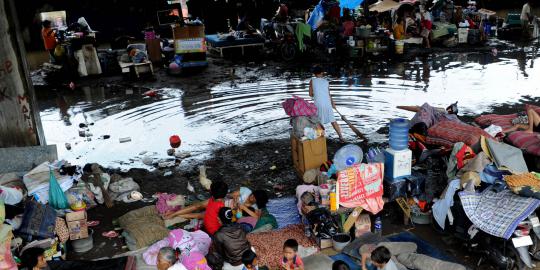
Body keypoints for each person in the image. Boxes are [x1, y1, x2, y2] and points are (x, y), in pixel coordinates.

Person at [309, 66, 344, 142]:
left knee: (319, 122)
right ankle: (341, 137)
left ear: (314, 74)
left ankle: (321, 138)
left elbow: (310, 94)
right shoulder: (326, 81)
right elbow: (328, 94)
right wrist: (333, 103)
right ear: (322, 73)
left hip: (318, 104)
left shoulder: (312, 80)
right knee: (333, 121)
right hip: (327, 103)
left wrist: (315, 94)